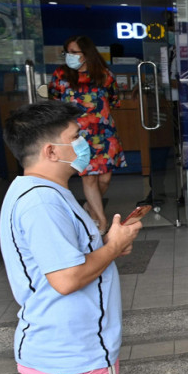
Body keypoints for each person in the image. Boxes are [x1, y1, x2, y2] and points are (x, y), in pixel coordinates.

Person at [0, 101, 143, 374]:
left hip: (59, 355)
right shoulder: (41, 201)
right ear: (49, 152)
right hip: (71, 360)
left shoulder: (38, 192)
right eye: (75, 138)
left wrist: (108, 246)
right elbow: (66, 279)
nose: (84, 144)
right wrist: (112, 248)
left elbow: (68, 261)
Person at [47, 35, 126, 233]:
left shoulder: (104, 75)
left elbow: (115, 100)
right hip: (78, 135)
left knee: (105, 178)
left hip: (104, 133)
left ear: (86, 54)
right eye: (68, 52)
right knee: (89, 178)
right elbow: (54, 100)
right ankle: (101, 221)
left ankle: (90, 207)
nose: (69, 56)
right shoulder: (61, 75)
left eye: (74, 52)